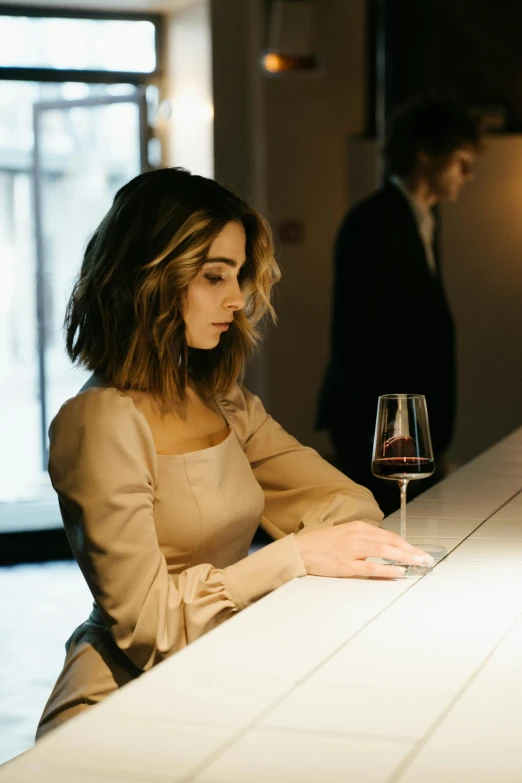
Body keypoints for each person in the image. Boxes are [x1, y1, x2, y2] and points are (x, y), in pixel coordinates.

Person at [35, 167, 432, 738]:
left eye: (239, 276)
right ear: (149, 278)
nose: (237, 299)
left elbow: (347, 505)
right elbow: (151, 629)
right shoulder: (99, 421)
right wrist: (294, 555)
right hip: (116, 708)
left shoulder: (222, 400)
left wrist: (314, 549)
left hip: (215, 675)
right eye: (214, 276)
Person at [316, 95, 482, 514]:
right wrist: (395, 434)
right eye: (461, 161)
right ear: (426, 156)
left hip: (410, 425)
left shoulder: (424, 219)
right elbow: (357, 339)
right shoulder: (372, 222)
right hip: (380, 426)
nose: (469, 174)